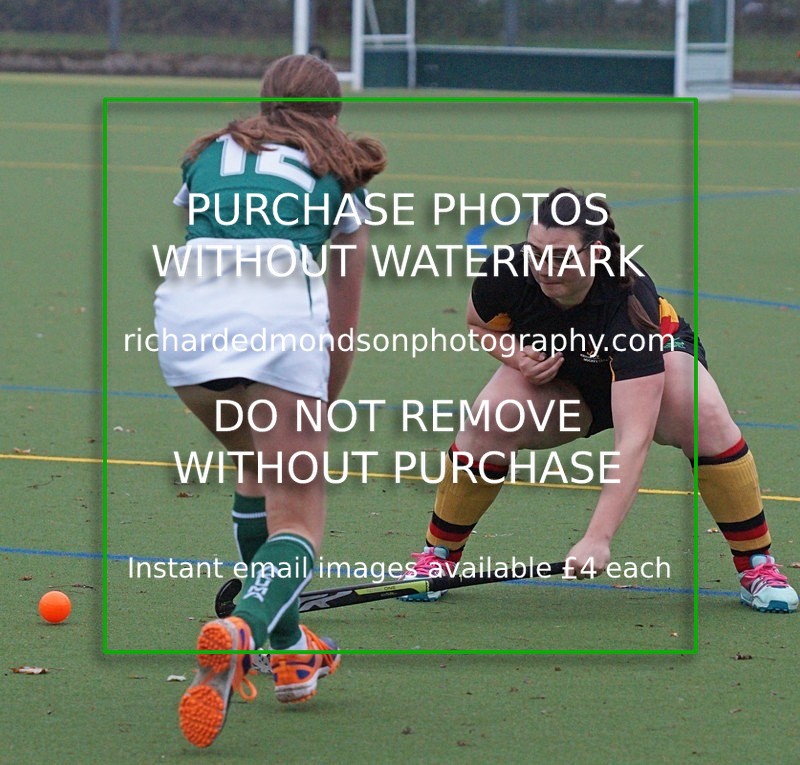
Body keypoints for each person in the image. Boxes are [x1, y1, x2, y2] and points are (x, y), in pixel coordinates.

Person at [401, 187, 798, 616]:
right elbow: (480, 325)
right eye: (535, 251)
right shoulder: (509, 270)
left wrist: (597, 537)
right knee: (490, 417)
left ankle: (757, 564)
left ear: (595, 252)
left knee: (700, 409)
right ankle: (437, 557)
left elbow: (634, 440)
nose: (543, 267)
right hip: (570, 381)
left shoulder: (628, 302)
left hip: (655, 370)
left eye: (560, 256)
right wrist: (518, 357)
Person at [153, 54, 387, 748]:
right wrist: (323, 399)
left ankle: (290, 652)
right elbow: (341, 320)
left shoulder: (209, 154)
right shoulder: (339, 178)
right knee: (299, 518)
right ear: (334, 116)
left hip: (183, 329)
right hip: (276, 331)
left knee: (255, 469)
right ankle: (243, 627)